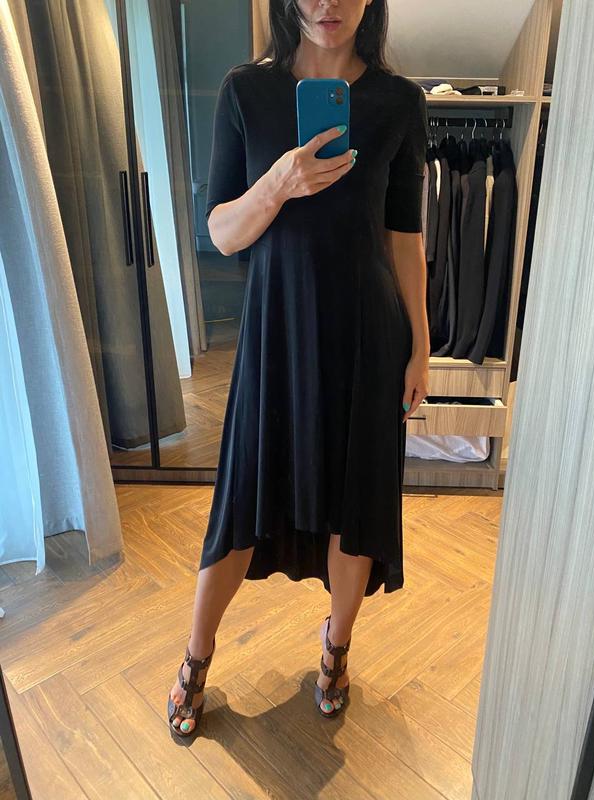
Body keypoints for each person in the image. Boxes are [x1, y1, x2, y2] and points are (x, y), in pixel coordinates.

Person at [168, 0, 430, 739]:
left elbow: (404, 239)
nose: (327, 4)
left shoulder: (398, 102)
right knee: (243, 496)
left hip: (366, 337)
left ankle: (336, 648)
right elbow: (221, 232)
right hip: (275, 335)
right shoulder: (245, 92)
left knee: (356, 504)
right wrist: (279, 182)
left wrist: (420, 345)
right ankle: (195, 655)